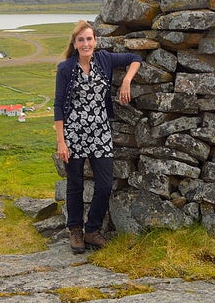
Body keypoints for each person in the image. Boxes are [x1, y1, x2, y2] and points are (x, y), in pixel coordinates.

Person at [54, 20, 142, 254]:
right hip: (73, 133)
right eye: (81, 39)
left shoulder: (104, 59)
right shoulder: (66, 68)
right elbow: (59, 105)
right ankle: (75, 231)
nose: (86, 43)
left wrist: (126, 80)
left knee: (104, 185)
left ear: (95, 41)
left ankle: (92, 230)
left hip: (100, 132)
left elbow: (135, 58)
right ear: (74, 43)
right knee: (75, 185)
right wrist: (61, 141)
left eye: (89, 39)